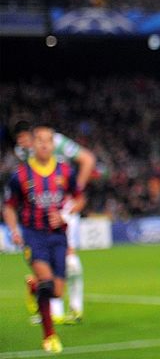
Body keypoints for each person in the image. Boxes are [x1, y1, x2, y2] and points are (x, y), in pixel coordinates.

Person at [3, 126, 84, 354]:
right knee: (47, 282)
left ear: (53, 144)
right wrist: (14, 231)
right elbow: (8, 207)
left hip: (58, 236)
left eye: (48, 140)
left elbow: (79, 199)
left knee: (57, 292)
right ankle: (49, 336)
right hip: (33, 235)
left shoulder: (65, 172)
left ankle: (33, 288)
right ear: (32, 144)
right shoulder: (20, 175)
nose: (44, 144)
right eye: (39, 140)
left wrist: (65, 214)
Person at [14, 121, 95, 324]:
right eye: (18, 140)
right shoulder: (22, 151)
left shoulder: (56, 142)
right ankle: (52, 311)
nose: (22, 143)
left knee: (70, 260)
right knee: (45, 263)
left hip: (62, 208)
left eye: (24, 138)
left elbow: (88, 159)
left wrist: (74, 193)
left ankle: (75, 309)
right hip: (40, 212)